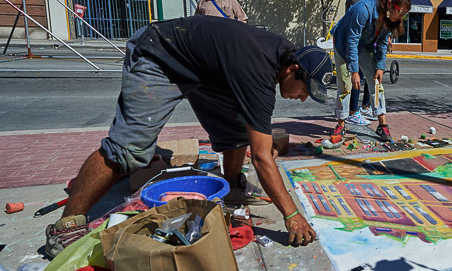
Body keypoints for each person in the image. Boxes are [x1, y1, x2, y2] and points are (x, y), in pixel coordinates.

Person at [45, 16, 332, 257]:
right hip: (159, 53)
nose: (303, 99)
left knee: (236, 128)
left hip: (202, 69)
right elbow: (260, 156)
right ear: (292, 70)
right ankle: (66, 226)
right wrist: (292, 215)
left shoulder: (282, 56)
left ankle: (231, 184)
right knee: (129, 148)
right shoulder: (258, 70)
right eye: (305, 90)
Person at [329, 0, 411, 145]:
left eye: (405, 14)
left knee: (376, 83)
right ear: (389, 4)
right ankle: (341, 125)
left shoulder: (388, 19)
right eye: (401, 12)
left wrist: (380, 67)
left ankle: (382, 125)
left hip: (364, 47)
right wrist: (354, 71)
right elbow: (351, 42)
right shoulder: (364, 10)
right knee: (345, 86)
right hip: (343, 45)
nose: (402, 16)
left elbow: (381, 44)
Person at [344, 0, 384, 125]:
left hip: (363, 42)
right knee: (357, 77)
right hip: (357, 43)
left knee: (367, 76)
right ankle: (353, 111)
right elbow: (357, 25)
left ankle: (365, 106)